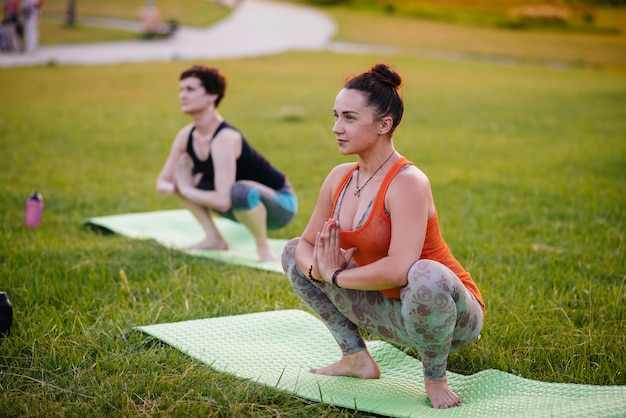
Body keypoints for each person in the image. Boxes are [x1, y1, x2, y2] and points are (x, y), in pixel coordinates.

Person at [281, 63, 485, 409]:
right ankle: (356, 358)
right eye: (335, 116)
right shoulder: (339, 178)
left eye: (348, 118)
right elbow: (304, 245)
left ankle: (435, 378)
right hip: (390, 311)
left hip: (446, 315)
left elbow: (399, 270)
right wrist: (317, 268)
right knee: (291, 255)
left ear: (384, 124)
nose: (336, 128)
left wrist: (334, 274)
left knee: (424, 273)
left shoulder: (408, 182)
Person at [157, 64, 297, 262]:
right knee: (184, 178)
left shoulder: (225, 139)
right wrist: (179, 185)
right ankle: (214, 238)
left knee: (237, 190)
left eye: (190, 89)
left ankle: (263, 247)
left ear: (212, 95)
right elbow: (162, 182)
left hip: (280, 205)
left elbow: (223, 201)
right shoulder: (186, 135)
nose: (182, 95)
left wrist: (187, 189)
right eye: (181, 89)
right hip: (238, 204)